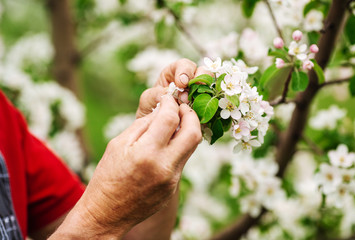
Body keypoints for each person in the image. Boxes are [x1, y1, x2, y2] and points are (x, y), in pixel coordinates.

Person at [0, 59, 209, 239]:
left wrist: (161, 137)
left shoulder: (4, 118)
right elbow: (100, 225)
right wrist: (99, 221)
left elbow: (125, 233)